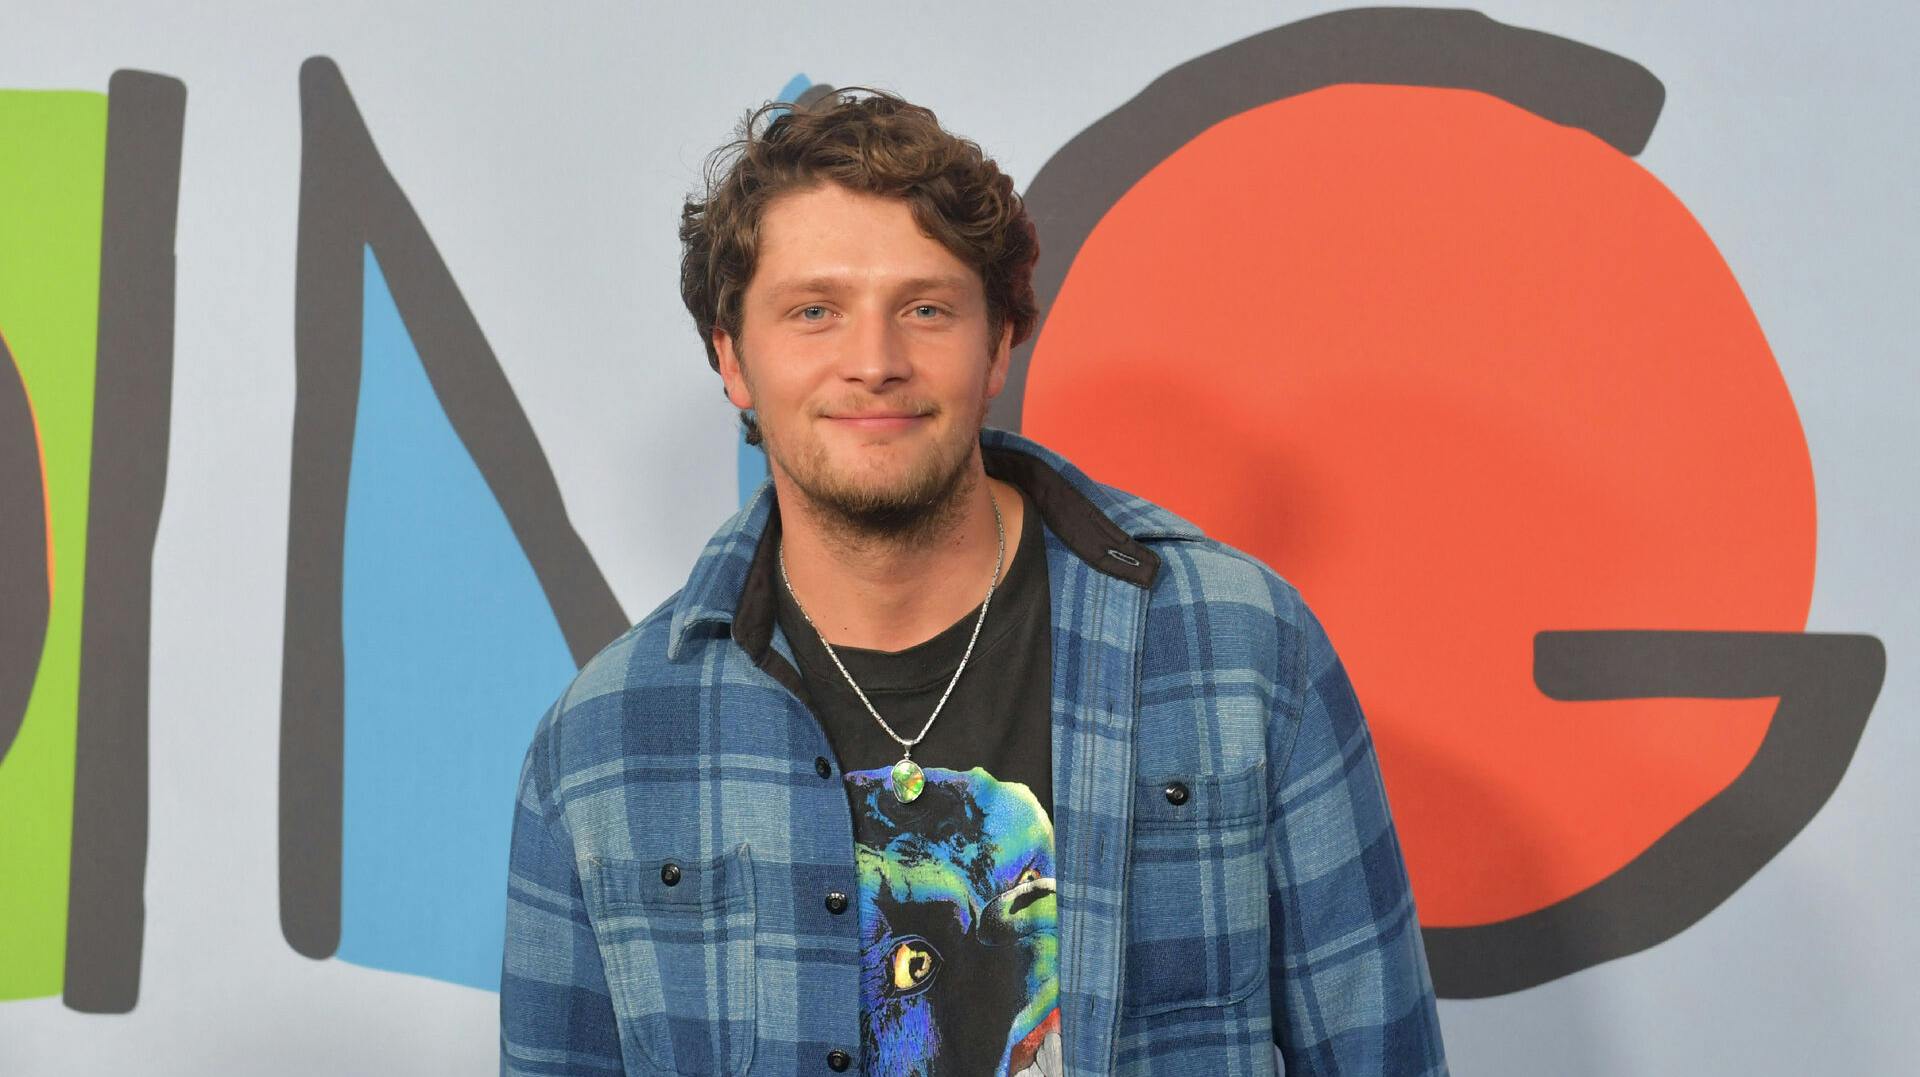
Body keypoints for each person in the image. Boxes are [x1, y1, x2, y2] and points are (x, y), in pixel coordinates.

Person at [500, 88, 1447, 1077]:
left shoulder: (1240, 650)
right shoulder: (604, 746)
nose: (874, 362)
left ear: (997, 344)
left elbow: (1382, 1052)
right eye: (814, 311)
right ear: (733, 358)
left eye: (925, 309)